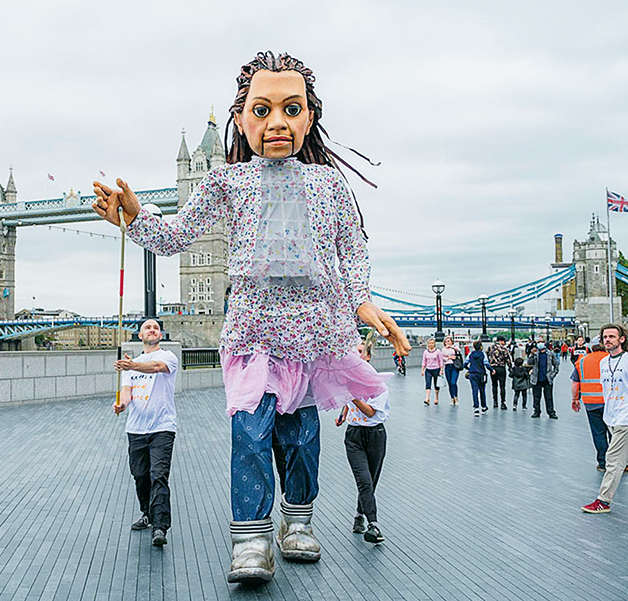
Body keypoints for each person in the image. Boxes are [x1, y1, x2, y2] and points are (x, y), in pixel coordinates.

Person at [92, 50, 409, 585]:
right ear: (241, 119)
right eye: (262, 111)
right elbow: (175, 237)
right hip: (250, 332)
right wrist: (135, 216)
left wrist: (362, 301)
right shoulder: (227, 182)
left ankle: (298, 525)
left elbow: (351, 248)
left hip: (312, 336)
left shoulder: (330, 186)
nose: (278, 123)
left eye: (291, 108)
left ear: (310, 116)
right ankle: (252, 539)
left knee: (302, 438)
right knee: (250, 434)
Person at [113, 319, 180, 546]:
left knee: (158, 475)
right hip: (136, 429)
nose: (152, 330)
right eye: (147, 328)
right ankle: (148, 514)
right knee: (140, 475)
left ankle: (160, 527)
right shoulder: (131, 365)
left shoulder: (168, 357)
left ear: (160, 335)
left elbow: (155, 368)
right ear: (140, 336)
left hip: (162, 427)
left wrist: (131, 366)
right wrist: (122, 405)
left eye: (156, 328)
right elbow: (126, 392)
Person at [336, 337, 388, 545]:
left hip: (375, 434)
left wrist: (352, 397)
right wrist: (343, 412)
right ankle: (373, 525)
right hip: (354, 436)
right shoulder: (349, 379)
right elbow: (349, 402)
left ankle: (359, 515)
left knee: (371, 481)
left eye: (358, 351)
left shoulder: (379, 384)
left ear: (367, 356)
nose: (354, 355)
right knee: (364, 480)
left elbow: (369, 412)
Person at [582, 325, 628, 513]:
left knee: (613, 459)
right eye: (605, 337)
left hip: (625, 418)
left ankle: (603, 500)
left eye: (612, 336)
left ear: (622, 339)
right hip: (610, 416)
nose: (608, 339)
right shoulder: (603, 363)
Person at [572, 343, 610, 471]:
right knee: (616, 434)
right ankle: (621, 462)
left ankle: (603, 463)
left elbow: (575, 383)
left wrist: (575, 399)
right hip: (612, 403)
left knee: (598, 433)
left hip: (591, 403)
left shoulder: (582, 361)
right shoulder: (611, 358)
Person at [527, 339, 560, 419]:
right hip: (536, 378)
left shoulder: (550, 353)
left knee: (548, 397)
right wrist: (532, 354)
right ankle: (536, 411)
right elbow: (529, 362)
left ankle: (551, 412)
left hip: (547, 378)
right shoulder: (535, 354)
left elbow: (556, 364)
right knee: (536, 396)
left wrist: (553, 374)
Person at [465, 340, 493, 416]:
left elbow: (465, 363)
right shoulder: (483, 354)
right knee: (482, 390)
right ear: (481, 347)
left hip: (472, 374)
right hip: (481, 374)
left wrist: (469, 369)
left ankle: (476, 408)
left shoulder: (470, 354)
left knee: (474, 390)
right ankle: (483, 407)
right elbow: (486, 364)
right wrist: (492, 370)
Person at [487, 336, 512, 410]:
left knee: (494, 385)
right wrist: (510, 367)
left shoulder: (490, 348)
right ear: (501, 341)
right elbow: (508, 359)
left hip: (493, 369)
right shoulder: (504, 349)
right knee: (502, 386)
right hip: (501, 368)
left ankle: (495, 402)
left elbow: (487, 356)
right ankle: (503, 403)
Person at [421, 338, 444, 405]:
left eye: (432, 343)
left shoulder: (438, 351)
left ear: (434, 344)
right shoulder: (425, 352)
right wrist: (422, 370)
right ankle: (427, 398)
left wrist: (441, 369)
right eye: (429, 343)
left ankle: (436, 398)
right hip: (428, 370)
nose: (431, 344)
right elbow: (424, 361)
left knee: (436, 385)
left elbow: (440, 361)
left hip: (436, 369)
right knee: (428, 384)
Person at [441, 336, 461, 405]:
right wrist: (448, 358)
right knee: (449, 383)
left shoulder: (455, 347)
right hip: (447, 366)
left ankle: (456, 397)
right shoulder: (443, 349)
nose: (447, 343)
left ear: (452, 341)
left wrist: (452, 348)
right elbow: (442, 358)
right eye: (446, 341)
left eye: (448, 341)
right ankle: (452, 398)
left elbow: (459, 352)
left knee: (453, 382)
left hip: (455, 366)